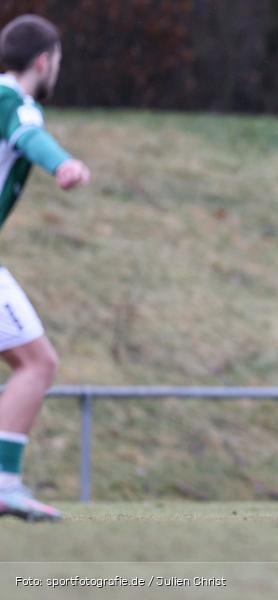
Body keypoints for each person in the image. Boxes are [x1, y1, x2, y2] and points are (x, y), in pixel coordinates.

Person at [0, 14, 91, 521]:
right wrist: (63, 165)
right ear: (43, 61)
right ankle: (3, 484)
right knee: (37, 364)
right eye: (57, 61)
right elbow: (29, 137)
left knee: (32, 363)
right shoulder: (15, 101)